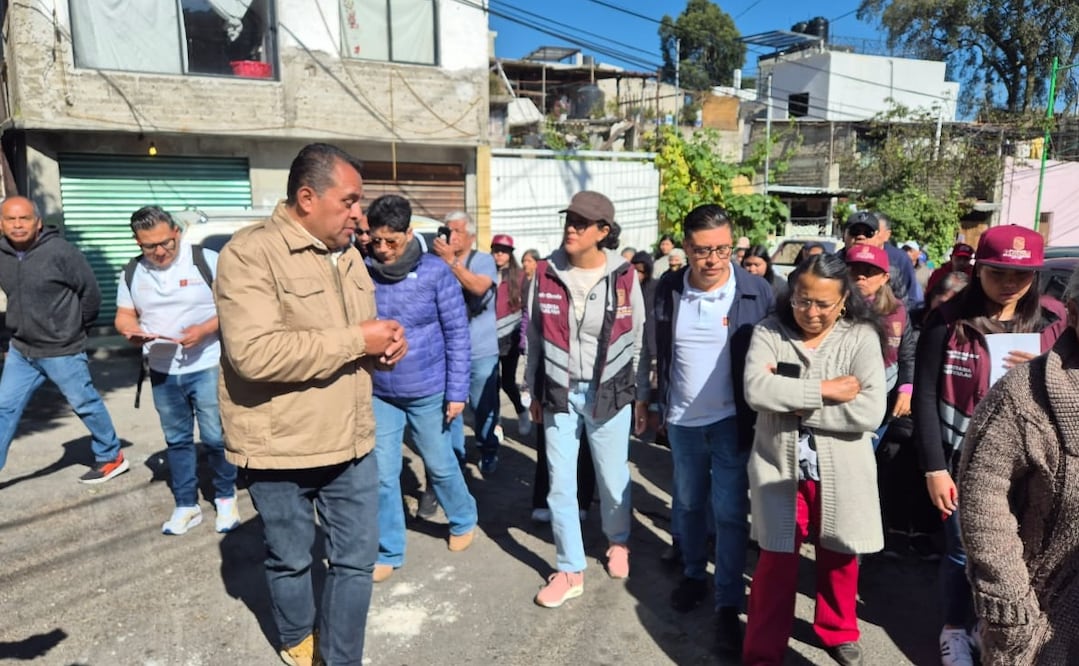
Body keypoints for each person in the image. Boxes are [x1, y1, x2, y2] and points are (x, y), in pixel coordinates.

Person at [214, 143, 408, 666]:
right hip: (281, 447)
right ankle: (298, 635)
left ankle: (341, 658)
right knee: (291, 559)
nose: (358, 215)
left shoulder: (348, 255)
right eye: (348, 201)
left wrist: (381, 351)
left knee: (355, 561)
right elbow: (253, 354)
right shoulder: (249, 254)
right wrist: (356, 341)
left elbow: (355, 341)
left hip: (351, 439)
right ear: (306, 197)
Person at [913, 225, 1065, 666]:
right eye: (998, 272)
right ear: (979, 269)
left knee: (1020, 554)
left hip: (1033, 465)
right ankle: (955, 628)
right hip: (963, 461)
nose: (1009, 283)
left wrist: (1043, 370)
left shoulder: (1054, 324)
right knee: (964, 551)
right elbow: (925, 395)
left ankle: (992, 627)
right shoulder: (946, 321)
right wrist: (934, 468)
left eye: (1022, 275)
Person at [742, 253, 887, 666]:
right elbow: (756, 391)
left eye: (824, 303)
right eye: (803, 300)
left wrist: (789, 400)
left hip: (842, 470)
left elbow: (868, 411)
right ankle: (763, 650)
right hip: (779, 468)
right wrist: (826, 389)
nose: (811, 312)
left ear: (844, 301)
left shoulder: (860, 336)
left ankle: (838, 630)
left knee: (841, 555)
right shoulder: (769, 332)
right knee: (775, 561)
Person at [646, 205, 772, 657]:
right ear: (685, 248)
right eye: (703, 251)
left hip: (732, 422)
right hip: (681, 421)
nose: (714, 260)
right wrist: (649, 400)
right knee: (689, 503)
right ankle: (695, 574)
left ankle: (727, 603)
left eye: (722, 249)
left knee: (731, 512)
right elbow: (652, 346)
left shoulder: (756, 291)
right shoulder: (667, 288)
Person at [526, 190, 646, 608]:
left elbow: (637, 339)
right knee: (560, 483)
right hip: (559, 390)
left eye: (582, 222)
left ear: (603, 231)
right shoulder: (544, 272)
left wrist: (637, 394)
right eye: (569, 220)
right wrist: (533, 389)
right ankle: (570, 568)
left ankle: (618, 541)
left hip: (609, 391)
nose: (571, 228)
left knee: (613, 479)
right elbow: (535, 337)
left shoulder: (625, 275)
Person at [959, 264, 1079, 665]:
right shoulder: (1023, 395)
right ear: (1074, 314)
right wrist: (1010, 605)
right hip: (1040, 613)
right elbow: (982, 495)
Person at [364, 194, 476, 584]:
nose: (382, 249)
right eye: (375, 240)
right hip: (380, 391)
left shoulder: (434, 272)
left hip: (428, 388)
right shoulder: (364, 270)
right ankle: (389, 548)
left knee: (439, 463)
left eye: (390, 241)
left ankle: (463, 518)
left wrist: (457, 391)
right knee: (382, 471)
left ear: (410, 234)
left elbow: (457, 334)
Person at [114, 205, 238, 535]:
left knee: (214, 436)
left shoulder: (206, 260)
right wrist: (131, 331)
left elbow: (234, 306)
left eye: (165, 243)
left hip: (207, 363)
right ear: (137, 242)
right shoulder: (132, 272)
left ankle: (226, 498)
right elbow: (124, 315)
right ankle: (186, 504)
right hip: (162, 370)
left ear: (176, 233)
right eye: (148, 246)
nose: (159, 252)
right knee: (177, 440)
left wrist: (205, 330)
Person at [0, 195, 128, 483]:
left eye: (24, 218)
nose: (18, 225)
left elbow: (91, 294)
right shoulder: (2, 253)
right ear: (1, 223)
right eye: (11, 219)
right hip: (21, 350)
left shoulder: (61, 251)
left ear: (38, 222)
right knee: (3, 407)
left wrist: (74, 330)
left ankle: (111, 455)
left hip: (61, 349)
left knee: (84, 403)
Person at [433, 211, 501, 475]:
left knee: (483, 407)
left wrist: (452, 262)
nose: (450, 235)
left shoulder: (483, 260)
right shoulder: (437, 262)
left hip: (480, 350)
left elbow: (478, 288)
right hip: (447, 350)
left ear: (471, 236)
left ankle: (488, 449)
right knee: (451, 408)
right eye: (448, 229)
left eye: (457, 231)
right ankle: (457, 457)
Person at [841, 211, 923, 310]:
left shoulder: (892, 269)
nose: (861, 237)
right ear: (844, 234)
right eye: (855, 231)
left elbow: (903, 307)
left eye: (868, 233)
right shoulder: (830, 266)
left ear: (877, 236)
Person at [491, 233, 530, 436]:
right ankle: (496, 424)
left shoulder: (520, 276)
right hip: (487, 338)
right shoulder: (485, 272)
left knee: (507, 381)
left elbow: (527, 311)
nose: (499, 255)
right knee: (492, 383)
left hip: (511, 339)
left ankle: (521, 411)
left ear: (510, 254)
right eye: (496, 250)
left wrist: (523, 338)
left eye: (504, 251)